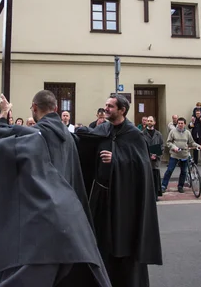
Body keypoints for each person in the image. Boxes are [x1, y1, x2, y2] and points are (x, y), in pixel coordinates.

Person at [0, 92, 110, 287]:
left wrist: (3, 115)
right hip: (68, 218)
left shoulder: (38, 134)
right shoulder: (67, 137)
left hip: (33, 217)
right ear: (55, 109)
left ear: (34, 108)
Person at [75, 94, 162, 287]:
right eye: (105, 105)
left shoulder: (134, 134)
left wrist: (116, 161)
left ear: (122, 110)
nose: (106, 109)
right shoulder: (103, 128)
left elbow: (141, 167)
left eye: (110, 106)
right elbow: (88, 146)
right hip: (101, 197)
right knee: (100, 241)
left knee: (123, 243)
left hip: (124, 200)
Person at [162, 118, 201, 193]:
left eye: (182, 123)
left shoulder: (187, 133)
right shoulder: (173, 132)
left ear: (184, 124)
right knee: (169, 170)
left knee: (184, 171)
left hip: (184, 155)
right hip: (175, 154)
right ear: (177, 124)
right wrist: (174, 147)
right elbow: (168, 142)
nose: (180, 125)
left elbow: (192, 142)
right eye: (179, 123)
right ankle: (163, 185)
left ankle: (180, 186)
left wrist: (198, 145)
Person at [142, 116, 164, 198]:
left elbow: (162, 145)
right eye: (148, 121)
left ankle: (155, 195)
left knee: (155, 178)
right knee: (146, 179)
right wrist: (149, 155)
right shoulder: (142, 134)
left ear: (154, 122)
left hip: (155, 160)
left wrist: (157, 155)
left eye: (151, 121)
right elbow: (141, 146)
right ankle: (147, 196)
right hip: (146, 159)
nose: (149, 122)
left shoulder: (158, 134)